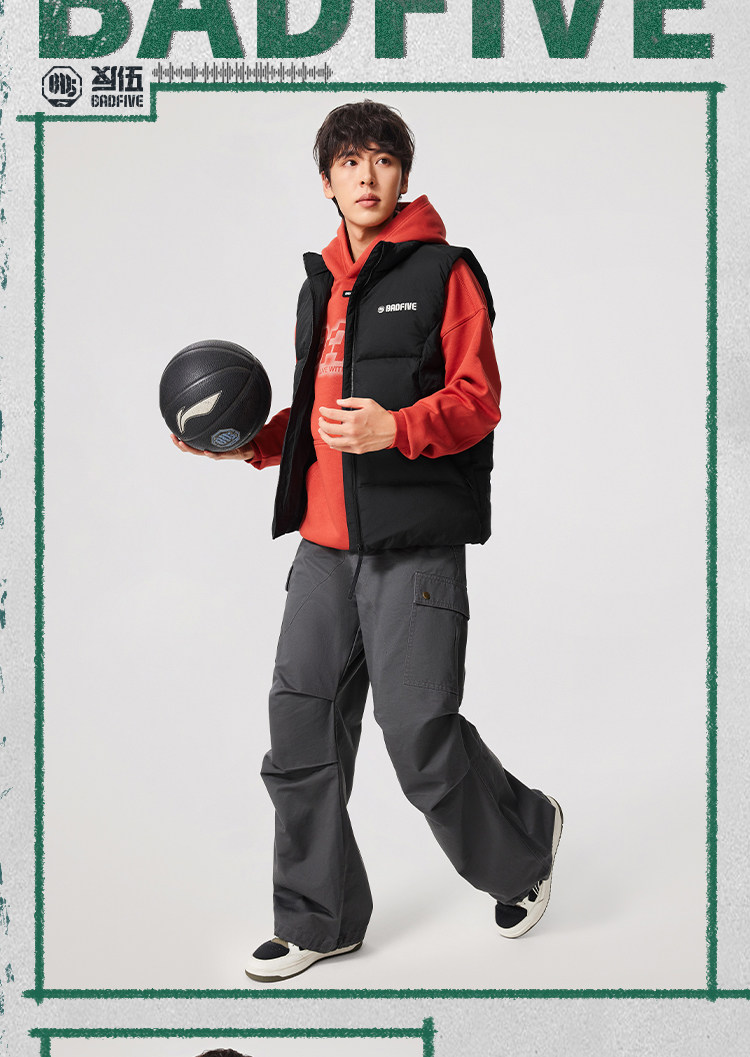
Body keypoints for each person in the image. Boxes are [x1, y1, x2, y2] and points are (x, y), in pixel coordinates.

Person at [172, 100, 562, 983]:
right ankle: (321, 918)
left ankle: (526, 844)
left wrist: (399, 427)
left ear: (402, 174)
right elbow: (319, 417)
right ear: (327, 181)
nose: (367, 174)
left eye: (383, 158)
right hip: (322, 551)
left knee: (418, 733)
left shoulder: (446, 271)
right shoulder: (319, 283)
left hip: (412, 547)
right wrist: (248, 442)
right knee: (299, 730)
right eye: (349, 161)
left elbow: (478, 401)